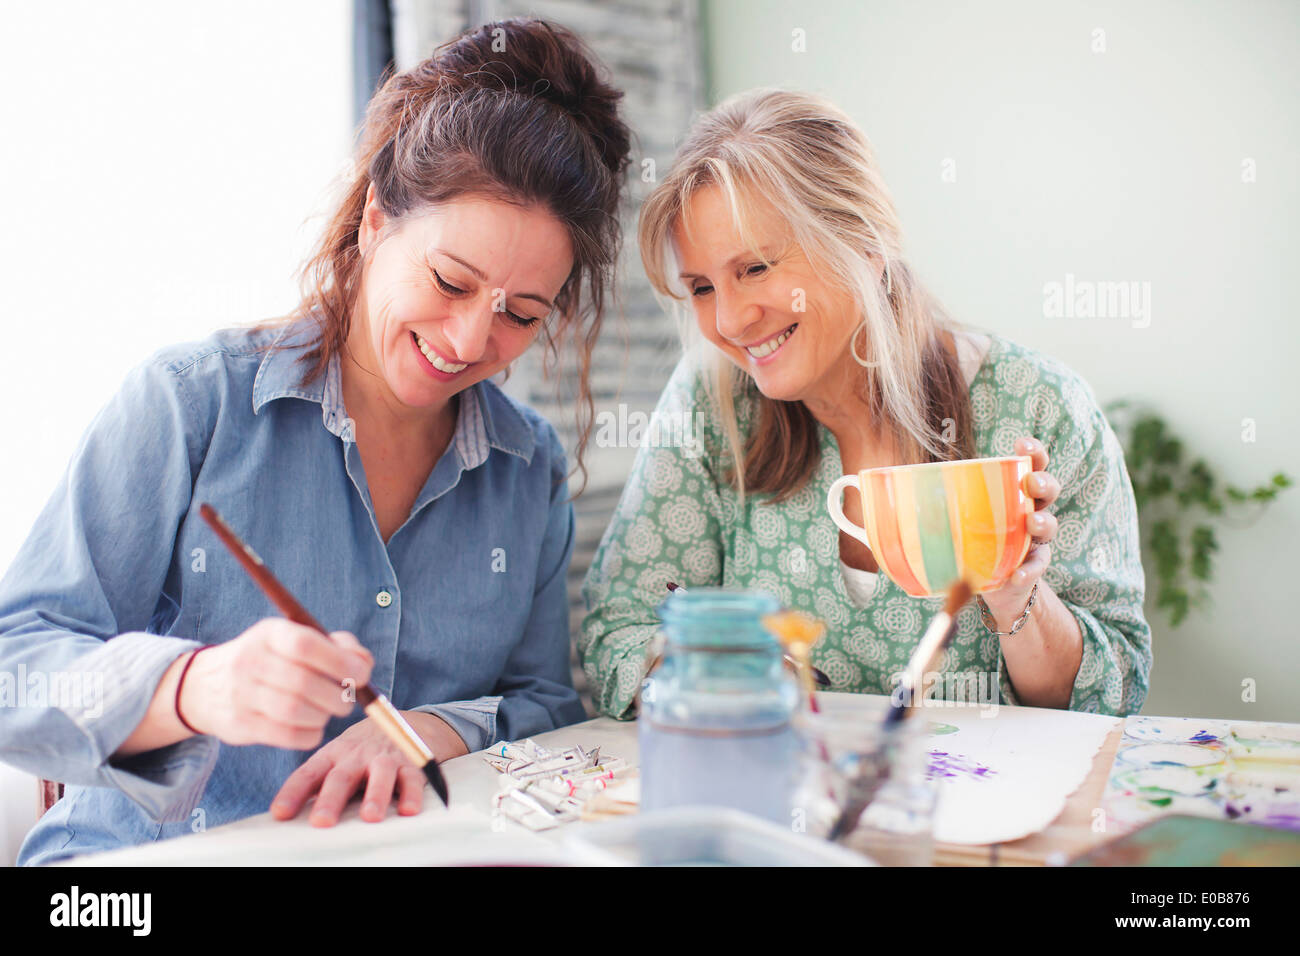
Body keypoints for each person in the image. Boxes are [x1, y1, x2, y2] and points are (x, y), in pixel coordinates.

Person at [2, 17, 631, 865]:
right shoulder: (193, 404)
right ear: (376, 219)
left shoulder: (527, 468)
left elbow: (544, 705)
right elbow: (18, 669)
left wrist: (429, 732)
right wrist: (191, 688)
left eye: (522, 314)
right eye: (450, 281)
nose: (471, 339)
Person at [580, 88, 1150, 719]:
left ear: (865, 245)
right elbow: (618, 632)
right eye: (704, 287)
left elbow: (1112, 692)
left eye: (757, 268)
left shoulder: (1041, 408)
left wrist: (1019, 597)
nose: (731, 319)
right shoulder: (711, 406)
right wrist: (719, 670)